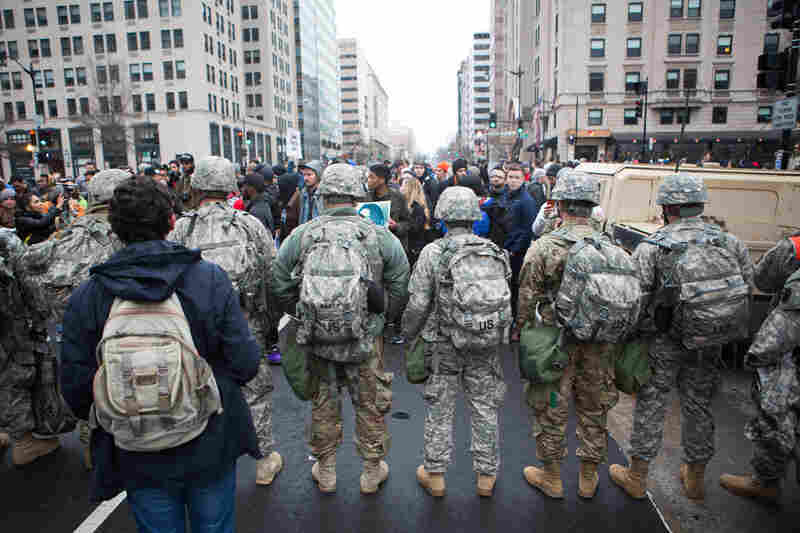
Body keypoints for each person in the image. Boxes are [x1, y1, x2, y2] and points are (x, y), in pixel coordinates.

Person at [61, 177, 261, 531]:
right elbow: (245, 362)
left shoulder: (89, 295)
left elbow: (77, 389)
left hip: (136, 446)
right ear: (171, 221)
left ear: (115, 227)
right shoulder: (208, 279)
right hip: (208, 438)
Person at [610, 173, 754, 501]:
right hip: (711, 338)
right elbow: (748, 282)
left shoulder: (654, 246)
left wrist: (628, 338)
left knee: (652, 403)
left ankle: (637, 476)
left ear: (667, 208)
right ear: (699, 205)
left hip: (664, 340)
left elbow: (636, 298)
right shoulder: (728, 241)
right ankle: (695, 477)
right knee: (698, 403)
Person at [272, 163, 409, 494]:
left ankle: (327, 470)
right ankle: (371, 472)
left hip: (317, 339)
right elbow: (401, 283)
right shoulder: (378, 235)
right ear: (357, 194)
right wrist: (378, 321)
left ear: (323, 196)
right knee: (369, 403)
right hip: (364, 338)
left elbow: (278, 281)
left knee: (323, 402)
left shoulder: (302, 235)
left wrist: (305, 313)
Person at [169, 156, 283, 484]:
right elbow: (272, 275)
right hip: (245, 322)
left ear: (198, 186)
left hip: (193, 329)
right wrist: (271, 322)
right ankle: (264, 461)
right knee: (255, 389)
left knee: (196, 390)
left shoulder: (182, 227)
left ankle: (203, 460)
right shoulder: (248, 224)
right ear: (230, 185)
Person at [18, 169, 131, 469]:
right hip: (126, 327)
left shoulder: (69, 233)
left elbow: (28, 264)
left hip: (78, 330)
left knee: (89, 387)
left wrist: (46, 310)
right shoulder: (131, 230)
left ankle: (92, 448)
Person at [517, 170, 621, 499]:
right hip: (600, 342)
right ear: (592, 207)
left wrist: (523, 334)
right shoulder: (611, 248)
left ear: (559, 204)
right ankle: (589, 478)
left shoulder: (545, 247)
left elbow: (526, 299)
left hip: (555, 342)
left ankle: (552, 476)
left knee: (552, 406)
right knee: (594, 406)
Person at [403, 186, 509, 499]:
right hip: (485, 341)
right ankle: (486, 476)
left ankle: (435, 475)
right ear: (474, 217)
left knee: (440, 407)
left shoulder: (433, 253)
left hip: (444, 342)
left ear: (443, 217)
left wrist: (408, 334)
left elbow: (419, 304)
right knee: (484, 406)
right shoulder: (493, 250)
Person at [719, 234, 800, 503]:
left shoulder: (795, 247)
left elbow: (763, 280)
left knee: (775, 411)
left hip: (788, 350)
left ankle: (765, 481)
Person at [0, 220, 64, 465]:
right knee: (13, 377)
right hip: (9, 326)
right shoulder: (5, 240)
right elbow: (29, 285)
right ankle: (24, 442)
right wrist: (41, 315)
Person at [504, 162, 541, 342]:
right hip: (505, 247)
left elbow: (528, 229)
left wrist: (515, 249)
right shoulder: (508, 196)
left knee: (517, 289)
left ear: (523, 179)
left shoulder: (527, 200)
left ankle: (517, 325)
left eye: (516, 177)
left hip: (517, 253)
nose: (512, 180)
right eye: (510, 177)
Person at [399, 174, 429, 268]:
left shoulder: (417, 208)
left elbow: (415, 228)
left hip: (413, 250)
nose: (400, 188)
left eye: (403, 185)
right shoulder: (407, 205)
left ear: (409, 188)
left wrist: (398, 226)